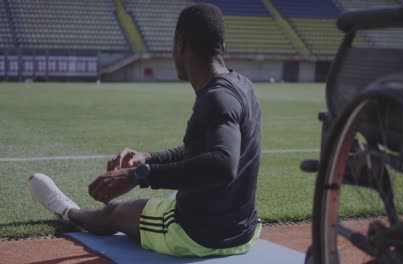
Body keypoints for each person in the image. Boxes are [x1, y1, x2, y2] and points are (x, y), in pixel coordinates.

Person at [29, 3, 262, 258]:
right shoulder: (243, 86)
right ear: (222, 46)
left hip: (199, 235)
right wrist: (149, 158)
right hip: (245, 232)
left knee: (115, 213)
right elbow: (205, 151)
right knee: (177, 190)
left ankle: (68, 212)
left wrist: (138, 176)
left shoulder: (215, 98)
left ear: (180, 43)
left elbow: (222, 165)